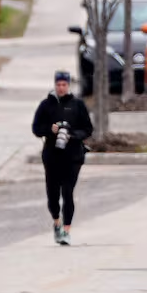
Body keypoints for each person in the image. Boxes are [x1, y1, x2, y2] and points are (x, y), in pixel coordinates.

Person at [30, 71, 93, 245]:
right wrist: (50, 130)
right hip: (52, 156)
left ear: (69, 85)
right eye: (58, 85)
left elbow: (88, 129)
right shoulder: (46, 105)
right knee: (52, 195)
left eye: (64, 84)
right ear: (54, 85)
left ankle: (66, 230)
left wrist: (71, 134)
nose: (61, 88)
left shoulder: (77, 104)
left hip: (73, 156)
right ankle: (56, 221)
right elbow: (36, 128)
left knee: (67, 192)